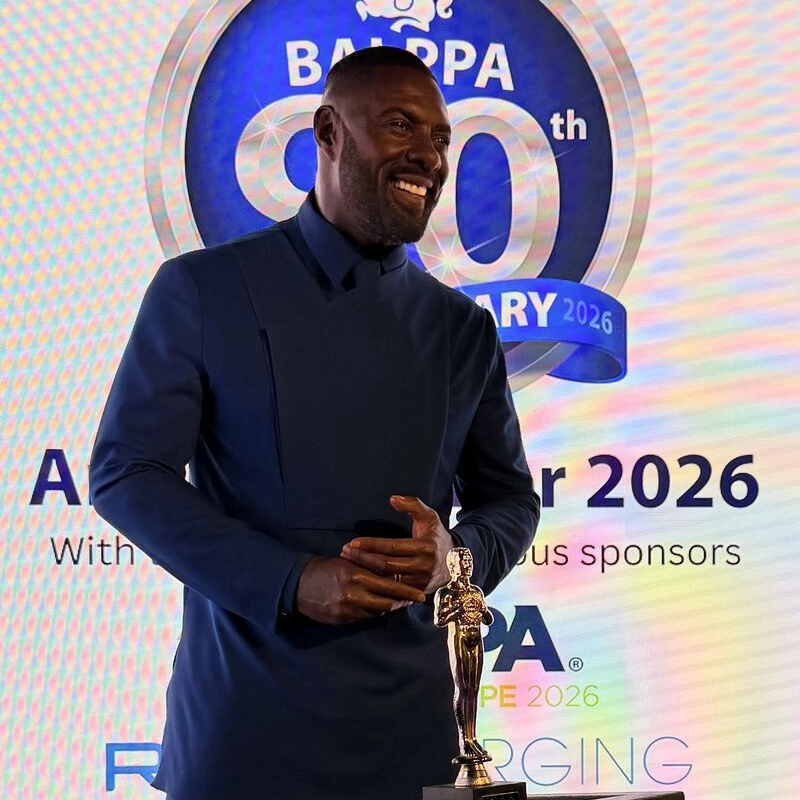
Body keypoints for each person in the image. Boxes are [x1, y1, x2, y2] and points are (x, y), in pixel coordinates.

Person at [90, 46, 539, 800]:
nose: (429, 158)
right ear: (328, 132)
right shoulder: (204, 290)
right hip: (244, 736)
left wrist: (454, 560)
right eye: (401, 126)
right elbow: (126, 473)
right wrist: (290, 581)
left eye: (441, 139)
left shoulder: (461, 329)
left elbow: (511, 500)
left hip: (412, 748)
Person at [434, 547, 494, 775]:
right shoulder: (446, 592)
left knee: (474, 691)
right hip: (459, 639)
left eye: (469, 560)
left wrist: (482, 608)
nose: (468, 565)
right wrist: (459, 608)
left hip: (476, 640)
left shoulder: (476, 591)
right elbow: (440, 620)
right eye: (463, 561)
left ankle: (473, 737)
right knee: (463, 689)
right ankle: (464, 740)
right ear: (453, 566)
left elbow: (488, 619)